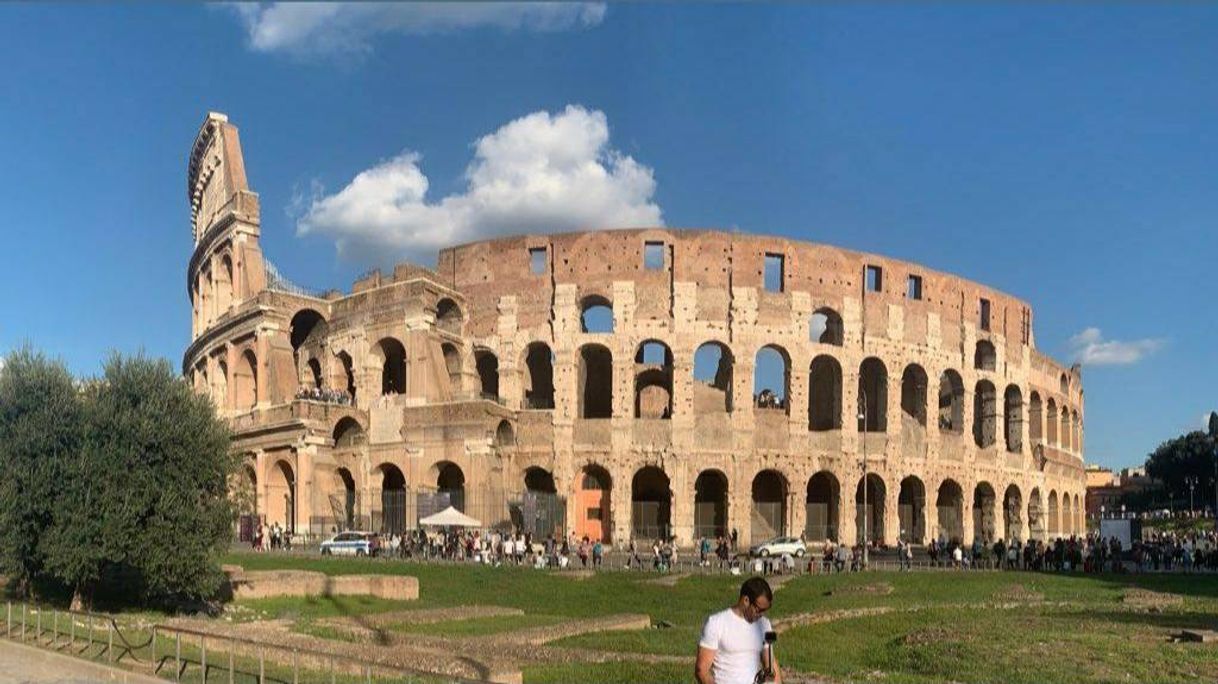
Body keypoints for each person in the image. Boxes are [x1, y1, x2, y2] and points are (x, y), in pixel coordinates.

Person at [695, 577, 781, 684]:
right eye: (759, 610)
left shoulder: (764, 624)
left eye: (765, 610)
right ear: (746, 600)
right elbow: (701, 670)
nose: (761, 615)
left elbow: (770, 664)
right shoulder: (716, 623)